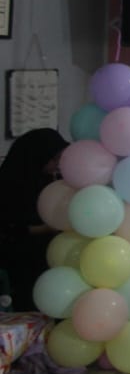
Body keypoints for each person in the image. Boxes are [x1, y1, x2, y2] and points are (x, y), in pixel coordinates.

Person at [0, 128, 68, 311]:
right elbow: (9, 228)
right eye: (54, 159)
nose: (57, 165)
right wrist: (45, 228)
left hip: (51, 256)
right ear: (37, 157)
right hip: (20, 261)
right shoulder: (10, 185)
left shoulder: (51, 180)